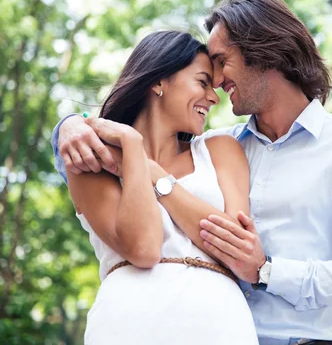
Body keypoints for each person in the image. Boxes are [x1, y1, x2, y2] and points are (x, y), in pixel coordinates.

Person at [52, 0, 332, 345]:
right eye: (206, 76)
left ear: (264, 51)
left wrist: (268, 271)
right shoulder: (222, 145)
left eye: (221, 61)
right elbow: (97, 154)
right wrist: (67, 126)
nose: (217, 82)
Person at [55, 30, 258, 344]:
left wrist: (152, 173)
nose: (213, 97)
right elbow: (144, 248)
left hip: (220, 324)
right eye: (202, 82)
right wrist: (133, 149)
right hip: (127, 324)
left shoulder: (220, 149)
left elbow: (234, 247)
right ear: (158, 81)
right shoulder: (94, 162)